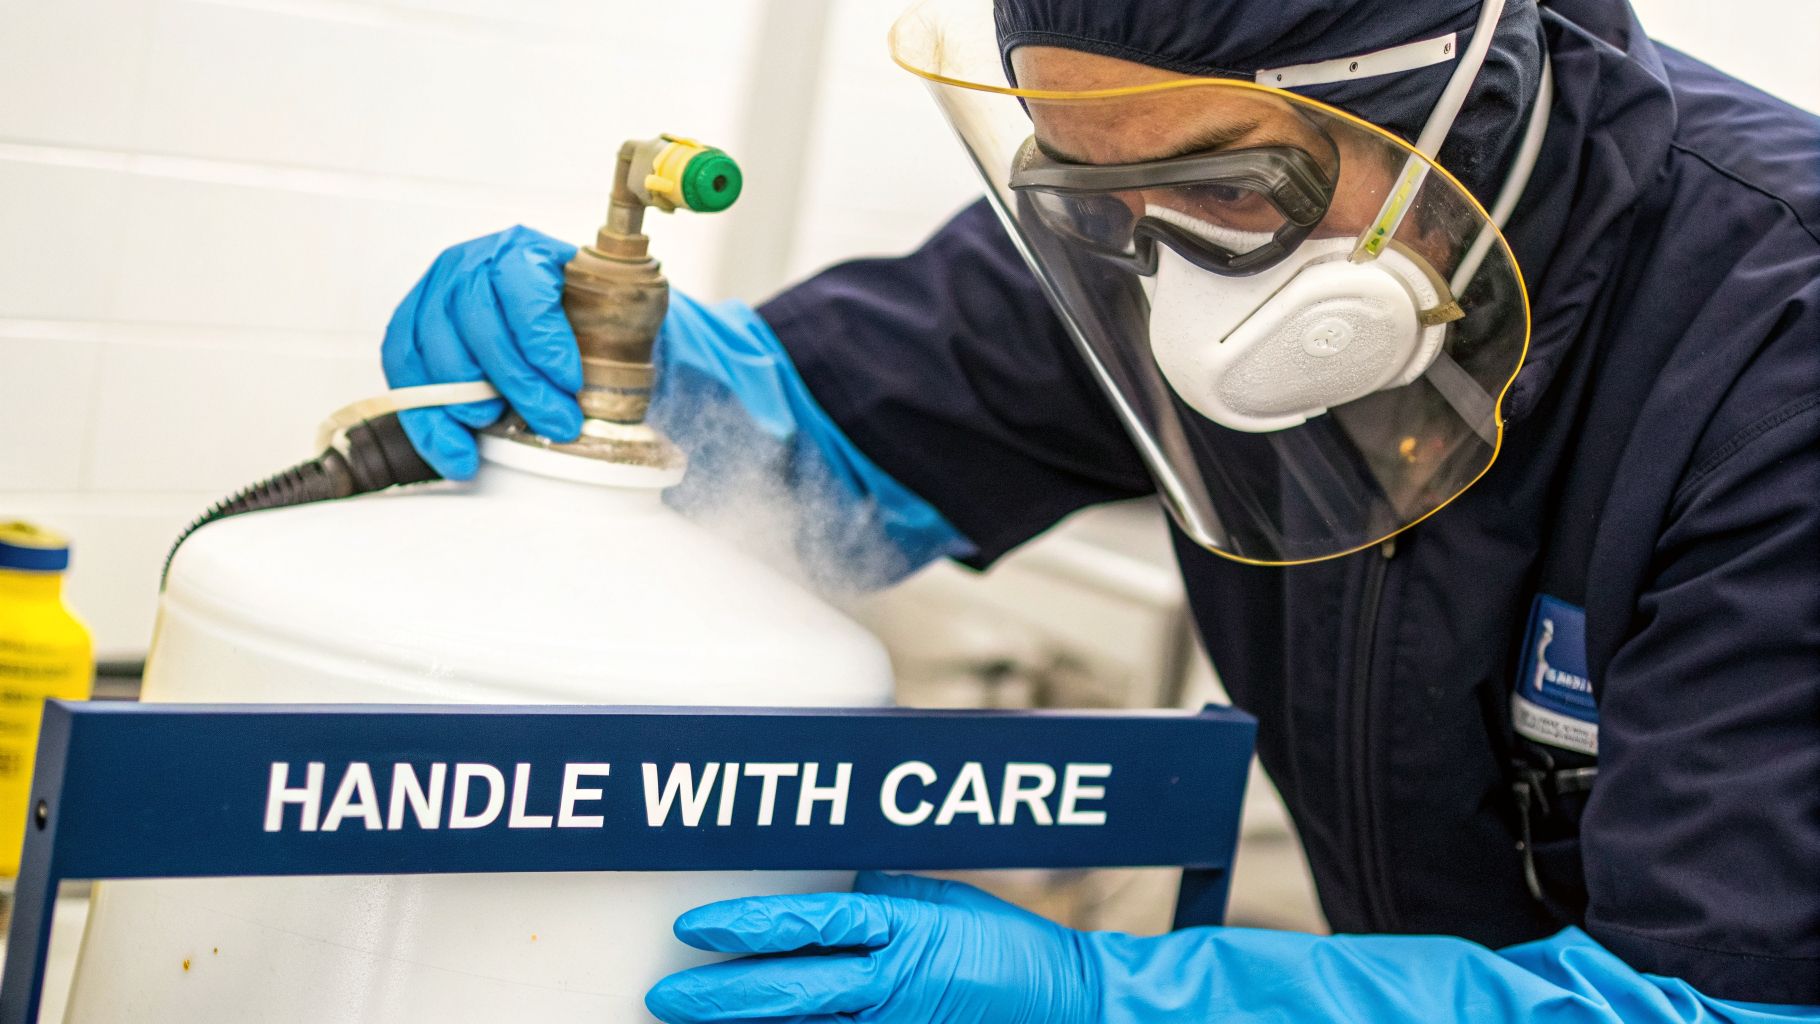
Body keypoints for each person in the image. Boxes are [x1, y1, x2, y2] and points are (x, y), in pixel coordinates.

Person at [381, 0, 1820, 1019]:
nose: (1168, 281)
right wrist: (648, 382)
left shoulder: (1775, 348)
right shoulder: (1145, 220)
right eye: (1092, 195)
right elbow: (827, 444)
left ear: (1468, 112)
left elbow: (1732, 1000)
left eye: (1234, 186)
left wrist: (1107, 1000)